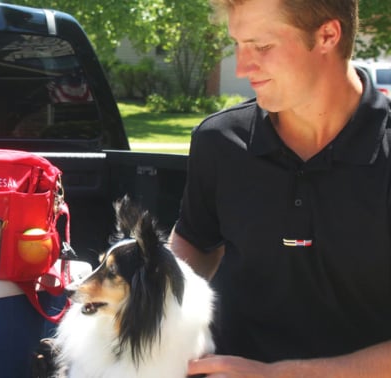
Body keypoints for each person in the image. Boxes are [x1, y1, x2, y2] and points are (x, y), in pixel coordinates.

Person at [167, 0, 391, 376]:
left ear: (327, 36)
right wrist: (153, 299)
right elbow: (195, 241)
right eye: (237, 44)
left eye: (262, 46)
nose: (241, 67)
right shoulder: (218, 141)